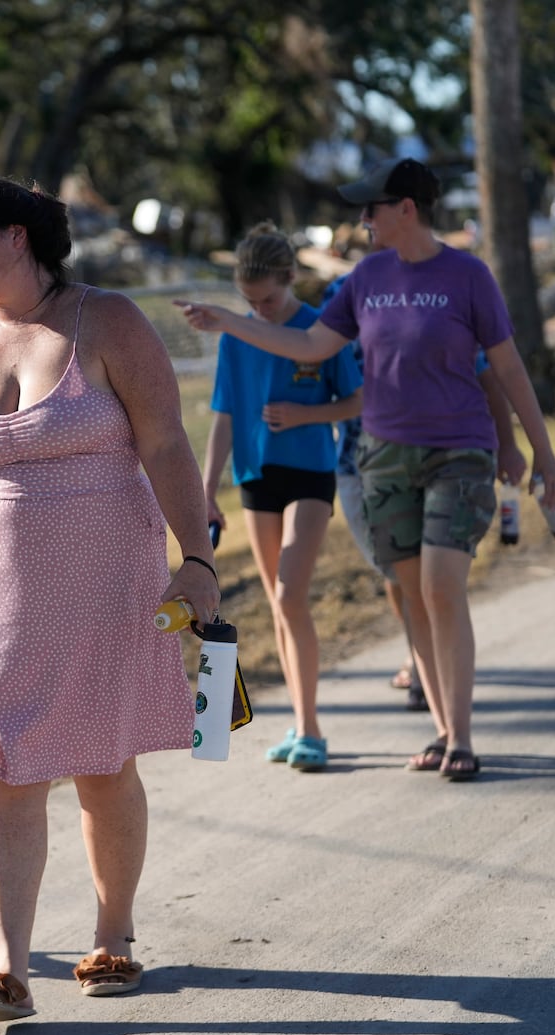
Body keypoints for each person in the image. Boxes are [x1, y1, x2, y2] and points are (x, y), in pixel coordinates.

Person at [0, 177, 218, 1022]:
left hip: (105, 577)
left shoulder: (108, 320)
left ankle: (113, 938)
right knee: (4, 771)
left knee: (100, 764)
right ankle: (7, 968)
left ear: (21, 236)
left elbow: (165, 442)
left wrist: (195, 556)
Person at [179, 157, 555, 782]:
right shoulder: (365, 279)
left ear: (406, 208)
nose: (363, 220)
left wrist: (538, 451)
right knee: (412, 591)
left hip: (458, 451)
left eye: (372, 208)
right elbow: (309, 346)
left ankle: (461, 737)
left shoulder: (468, 277)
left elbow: (508, 368)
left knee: (441, 583)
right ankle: (442, 731)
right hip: (384, 459)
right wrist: (227, 322)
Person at [321, 275, 528, 713]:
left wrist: (510, 445)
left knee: (431, 580)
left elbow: (491, 374)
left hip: (437, 456)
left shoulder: (433, 306)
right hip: (358, 466)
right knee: (397, 575)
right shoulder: (339, 299)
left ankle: (437, 692)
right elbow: (308, 358)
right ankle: (424, 663)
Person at [203, 223, 361, 771]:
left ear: (291, 278)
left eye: (268, 298)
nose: (260, 310)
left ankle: (312, 730)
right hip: (256, 477)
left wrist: (307, 414)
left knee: (291, 593)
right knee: (277, 602)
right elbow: (223, 416)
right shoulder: (237, 337)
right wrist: (206, 491)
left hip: (311, 473)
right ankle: (298, 722)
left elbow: (357, 399)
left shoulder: (321, 330)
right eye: (249, 302)